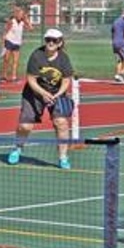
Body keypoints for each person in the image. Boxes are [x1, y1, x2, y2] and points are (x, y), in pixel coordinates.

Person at [7, 27, 76, 170]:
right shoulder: (36, 56)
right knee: (25, 126)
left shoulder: (64, 58)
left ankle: (63, 157)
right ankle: (17, 148)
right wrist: (43, 94)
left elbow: (66, 80)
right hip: (34, 93)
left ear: (60, 43)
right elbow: (31, 80)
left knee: (61, 123)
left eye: (54, 40)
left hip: (57, 94)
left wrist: (57, 95)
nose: (50, 43)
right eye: (48, 40)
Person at [0, 6, 33, 82]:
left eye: (22, 14)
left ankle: (14, 77)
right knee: (6, 60)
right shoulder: (11, 21)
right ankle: (4, 76)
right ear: (16, 14)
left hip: (17, 43)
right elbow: (5, 32)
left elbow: (31, 29)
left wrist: (27, 20)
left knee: (16, 61)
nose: (21, 16)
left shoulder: (22, 22)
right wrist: (3, 44)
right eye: (20, 14)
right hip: (9, 41)